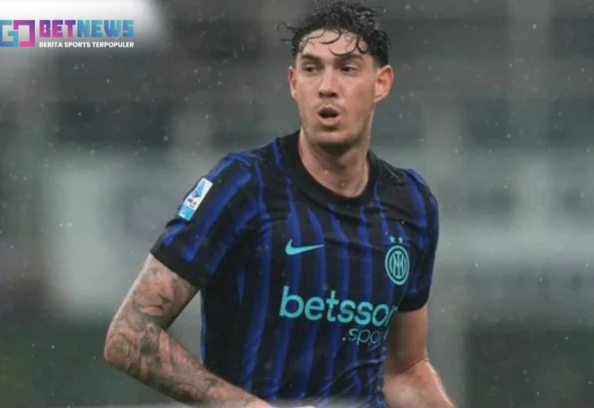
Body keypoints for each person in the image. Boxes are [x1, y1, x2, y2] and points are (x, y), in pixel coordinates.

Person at [103, 2, 456, 407]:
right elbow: (129, 336)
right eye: (312, 68)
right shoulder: (243, 186)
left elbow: (406, 371)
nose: (327, 86)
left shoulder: (410, 203)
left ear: (381, 83)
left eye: (347, 68)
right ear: (293, 82)